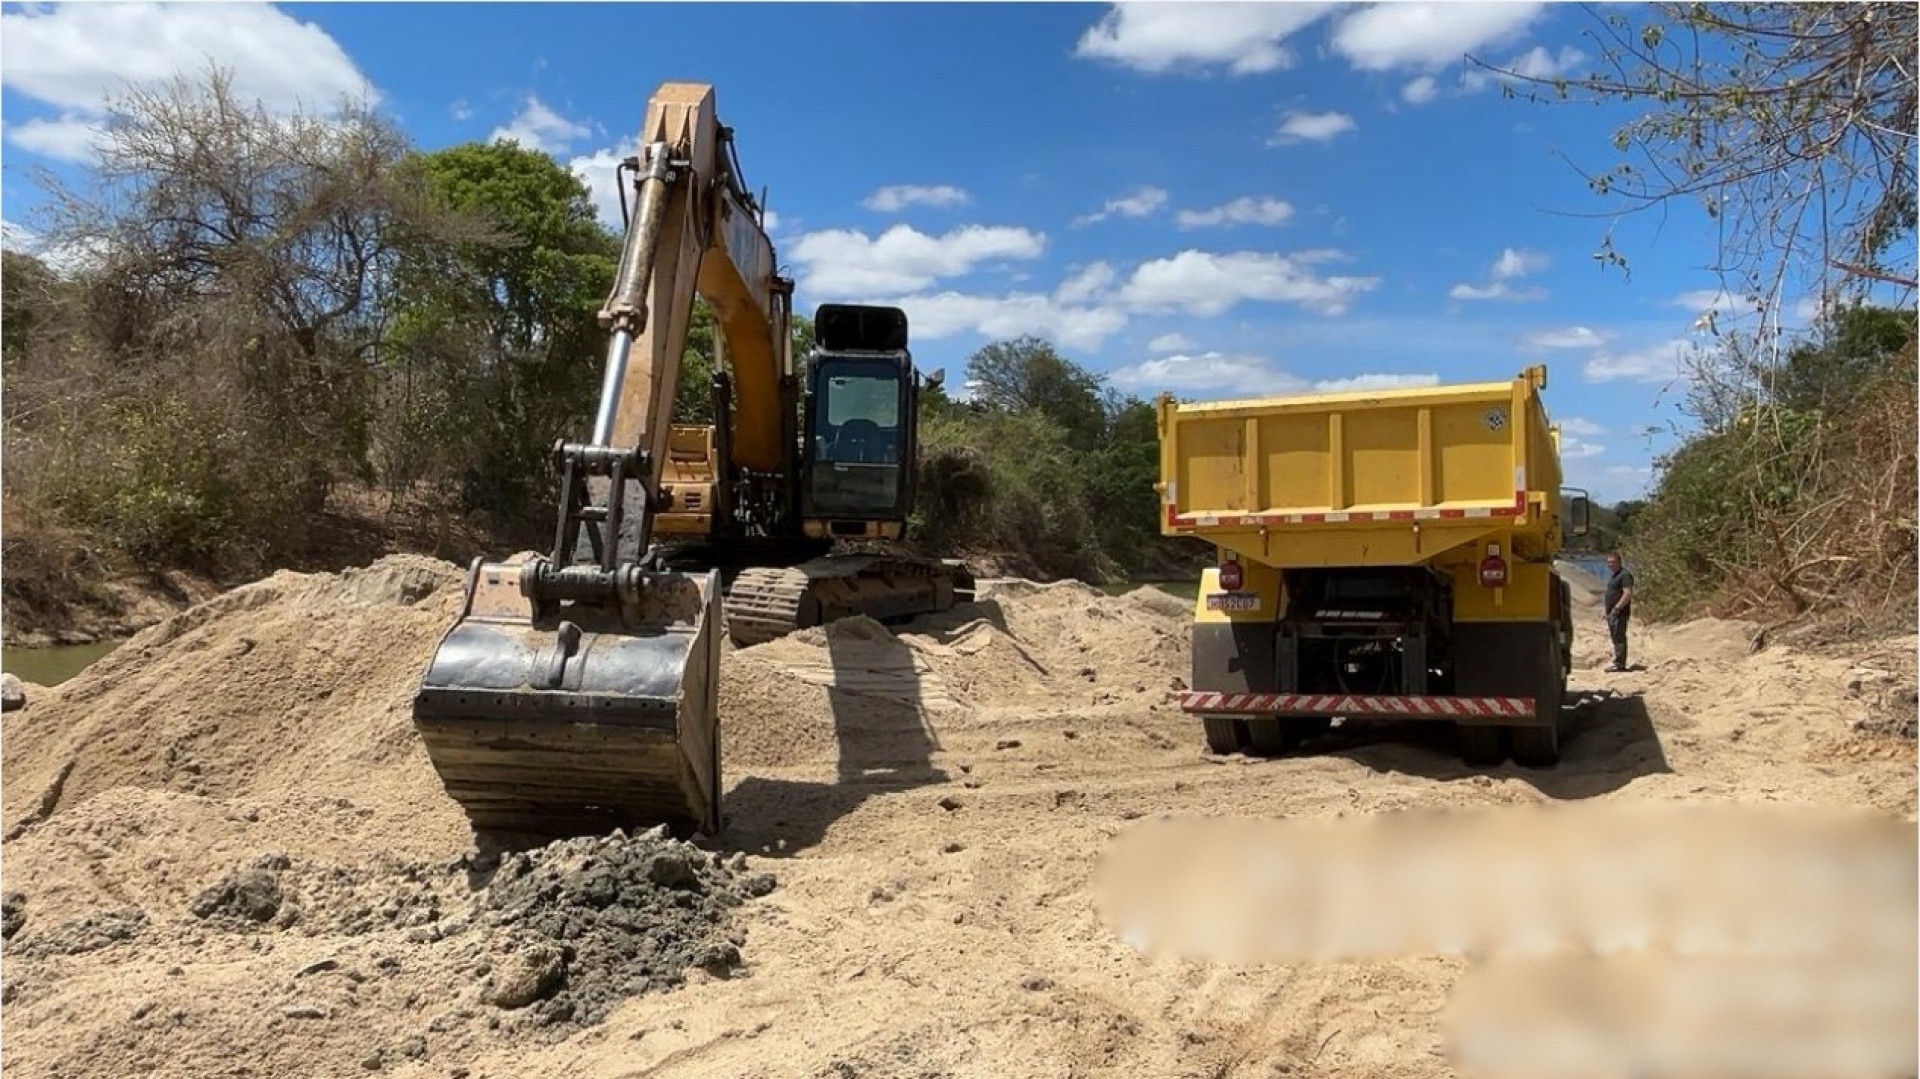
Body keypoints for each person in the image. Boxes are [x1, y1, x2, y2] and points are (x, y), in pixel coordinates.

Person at [1603, 552, 1636, 672]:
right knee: (1615, 637)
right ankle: (1618, 661)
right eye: (1608, 562)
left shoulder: (1625, 575)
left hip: (1620, 612)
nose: (1610, 565)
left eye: (1613, 562)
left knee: (1619, 637)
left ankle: (1620, 664)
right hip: (1612, 613)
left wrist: (1617, 609)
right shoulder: (1615, 576)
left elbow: (1627, 594)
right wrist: (1607, 612)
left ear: (1619, 562)